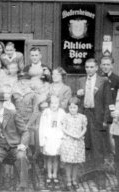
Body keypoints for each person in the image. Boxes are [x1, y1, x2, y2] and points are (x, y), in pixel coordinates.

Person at [77, 58, 112, 186]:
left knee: (98, 146)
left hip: (97, 116)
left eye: (92, 67)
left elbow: (108, 102)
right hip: (85, 114)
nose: (89, 69)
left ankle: (100, 175)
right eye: (87, 67)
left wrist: (106, 120)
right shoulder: (81, 80)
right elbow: (76, 100)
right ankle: (88, 172)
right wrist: (78, 94)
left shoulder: (103, 81)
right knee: (86, 145)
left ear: (97, 68)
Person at [0, 92, 29, 192]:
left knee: (21, 157)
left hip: (16, 146)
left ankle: (22, 185)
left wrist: (23, 144)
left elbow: (25, 131)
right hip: (0, 147)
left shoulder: (13, 113)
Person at [60, 97, 87, 191]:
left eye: (74, 107)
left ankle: (74, 180)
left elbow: (84, 128)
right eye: (71, 108)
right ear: (68, 108)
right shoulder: (66, 117)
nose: (72, 109)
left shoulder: (82, 117)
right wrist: (72, 135)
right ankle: (68, 180)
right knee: (69, 163)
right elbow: (63, 129)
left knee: (76, 163)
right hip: (69, 141)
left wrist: (80, 134)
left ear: (78, 108)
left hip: (78, 142)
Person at [39, 95, 66, 189]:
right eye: (52, 103)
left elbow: (64, 126)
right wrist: (42, 141)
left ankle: (55, 175)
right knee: (49, 157)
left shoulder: (62, 113)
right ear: (49, 104)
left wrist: (63, 138)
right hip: (48, 138)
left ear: (59, 104)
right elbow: (42, 127)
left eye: (56, 103)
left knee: (56, 158)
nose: (54, 105)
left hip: (58, 138)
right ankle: (49, 175)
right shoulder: (46, 112)